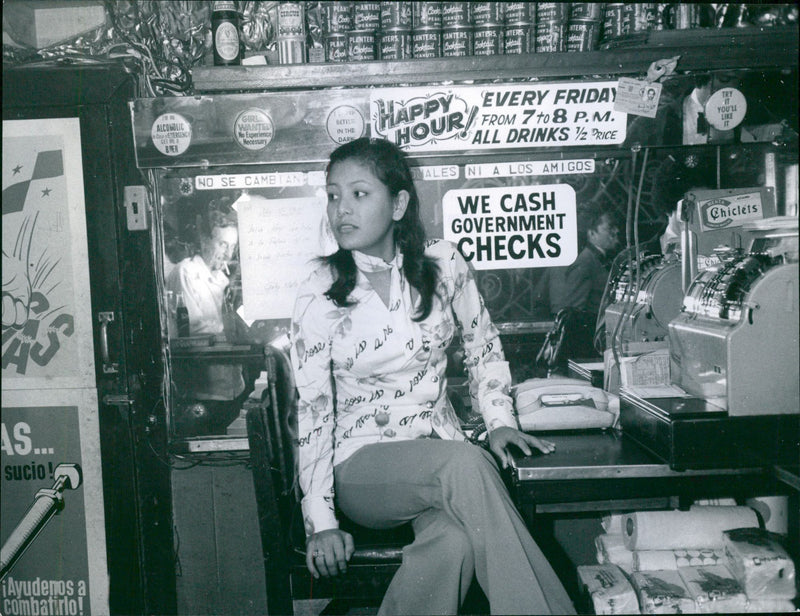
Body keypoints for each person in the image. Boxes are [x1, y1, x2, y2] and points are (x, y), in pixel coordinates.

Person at [289, 138, 575, 615]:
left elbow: (483, 343)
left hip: (439, 446)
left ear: (398, 203)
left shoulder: (444, 263)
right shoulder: (320, 291)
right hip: (362, 465)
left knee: (455, 543)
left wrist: (500, 420)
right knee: (465, 463)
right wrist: (320, 521)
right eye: (333, 195)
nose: (342, 208)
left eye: (359, 194)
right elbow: (313, 412)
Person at [166, 201, 250, 434]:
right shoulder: (186, 272)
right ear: (204, 241)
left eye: (232, 246)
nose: (227, 253)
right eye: (222, 244)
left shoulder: (223, 280)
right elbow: (191, 330)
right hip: (203, 393)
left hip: (233, 388)